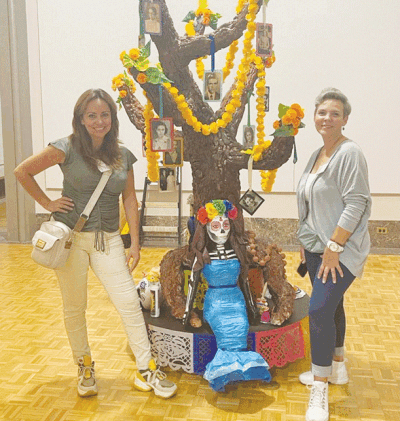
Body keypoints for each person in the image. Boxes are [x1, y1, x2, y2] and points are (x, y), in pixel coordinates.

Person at [14, 88, 177, 399]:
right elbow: (23, 172)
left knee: (129, 302)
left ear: (112, 118)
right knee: (75, 307)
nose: (99, 121)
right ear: (81, 118)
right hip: (71, 239)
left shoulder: (122, 154)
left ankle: (147, 368)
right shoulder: (65, 148)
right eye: (92, 115)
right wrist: (47, 203)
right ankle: (85, 365)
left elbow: (130, 198)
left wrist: (135, 244)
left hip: (110, 241)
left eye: (105, 115)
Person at [296, 88, 371, 421]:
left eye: (335, 113)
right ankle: (337, 366)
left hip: (338, 251)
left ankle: (320, 386)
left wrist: (334, 247)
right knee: (333, 304)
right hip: (315, 248)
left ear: (345, 119)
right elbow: (311, 202)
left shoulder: (349, 153)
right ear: (315, 116)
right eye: (322, 112)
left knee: (319, 309)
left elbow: (357, 203)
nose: (327, 118)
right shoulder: (316, 154)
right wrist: (305, 239)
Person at [183, 200, 271, 391]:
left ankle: (237, 367)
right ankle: (227, 368)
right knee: (224, 327)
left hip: (236, 299)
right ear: (207, 227)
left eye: (225, 225)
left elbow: (245, 281)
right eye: (216, 225)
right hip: (215, 300)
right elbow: (192, 283)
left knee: (241, 324)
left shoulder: (237, 252)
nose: (222, 230)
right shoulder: (202, 255)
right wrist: (186, 313)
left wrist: (251, 306)